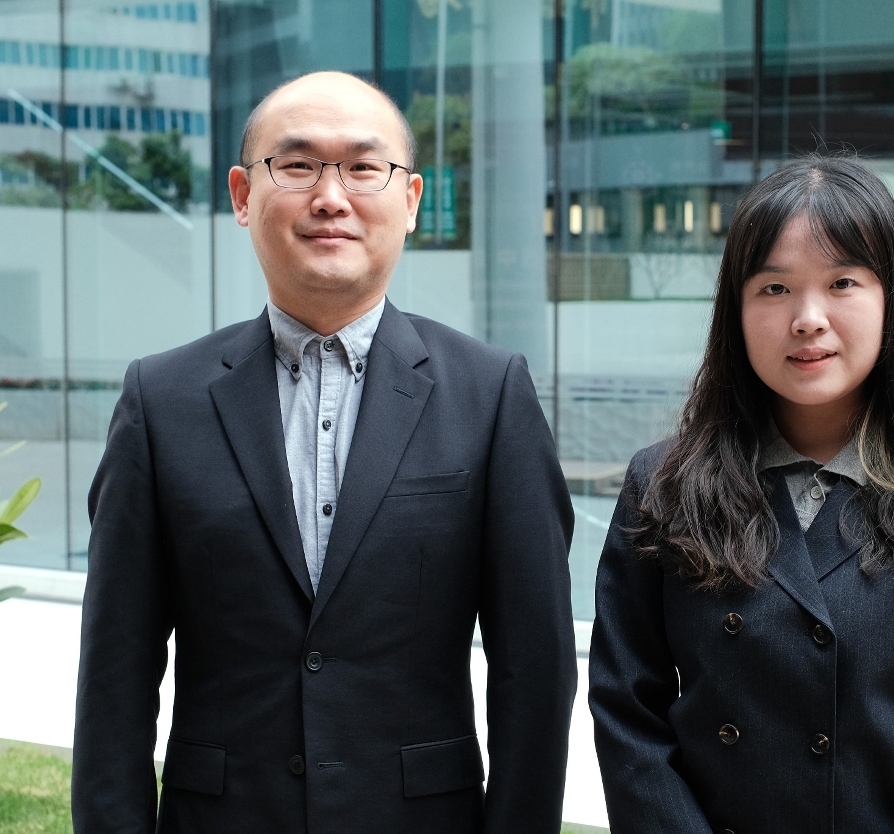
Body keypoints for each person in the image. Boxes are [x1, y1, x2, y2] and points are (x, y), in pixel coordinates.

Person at [72, 71, 577, 834]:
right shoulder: (160, 400)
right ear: (243, 195)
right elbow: (116, 670)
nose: (331, 197)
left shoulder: (491, 394)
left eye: (364, 167)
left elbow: (534, 668)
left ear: (410, 199)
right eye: (298, 165)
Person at [589, 157, 894, 834]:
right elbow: (628, 714)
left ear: (892, 299)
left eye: (842, 283)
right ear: (735, 310)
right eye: (774, 288)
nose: (808, 319)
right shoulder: (664, 486)